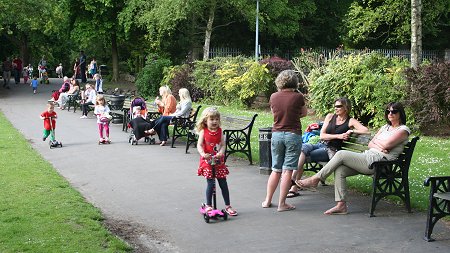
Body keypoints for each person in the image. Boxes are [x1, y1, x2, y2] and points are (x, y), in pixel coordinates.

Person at [296, 102, 411, 215]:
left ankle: (315, 179)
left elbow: (387, 145)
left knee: (341, 154)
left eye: (394, 111)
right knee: (340, 169)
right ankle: (341, 206)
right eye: (388, 111)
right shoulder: (385, 127)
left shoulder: (403, 130)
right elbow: (371, 143)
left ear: (400, 113)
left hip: (380, 163)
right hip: (368, 157)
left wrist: (380, 144)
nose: (390, 114)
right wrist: (381, 145)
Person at [287, 97, 370, 198]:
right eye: (335, 106)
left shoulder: (350, 121)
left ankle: (293, 186)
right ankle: (293, 180)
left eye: (338, 106)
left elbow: (366, 131)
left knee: (305, 155)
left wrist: (352, 131)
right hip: (320, 144)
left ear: (346, 107)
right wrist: (338, 136)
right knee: (302, 149)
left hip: (330, 150)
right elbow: (322, 135)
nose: (335, 108)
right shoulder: (330, 116)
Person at [262, 70, 307, 212]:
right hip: (293, 135)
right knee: (287, 170)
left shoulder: (273, 96)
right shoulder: (298, 97)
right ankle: (282, 204)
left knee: (276, 169)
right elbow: (304, 113)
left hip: (276, 135)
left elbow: (274, 113)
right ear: (294, 82)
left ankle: (267, 200)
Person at [196, 107, 238, 216]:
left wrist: (221, 152)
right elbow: (199, 145)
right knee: (210, 183)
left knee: (223, 182)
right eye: (212, 119)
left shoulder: (220, 131)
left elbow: (223, 145)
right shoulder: (203, 132)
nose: (215, 121)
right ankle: (209, 205)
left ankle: (228, 205)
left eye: (216, 119)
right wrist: (203, 154)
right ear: (206, 120)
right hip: (208, 161)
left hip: (218, 161)